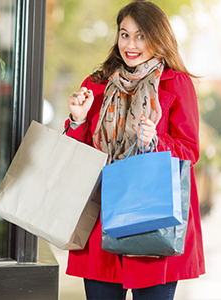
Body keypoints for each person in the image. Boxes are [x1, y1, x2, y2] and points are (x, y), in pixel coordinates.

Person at [63, 1, 204, 299]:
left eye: (140, 36)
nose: (131, 44)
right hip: (102, 218)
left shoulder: (175, 83)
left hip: (154, 217)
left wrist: (156, 140)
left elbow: (190, 150)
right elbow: (80, 155)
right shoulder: (96, 85)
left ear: (158, 37)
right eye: (124, 34)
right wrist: (78, 119)